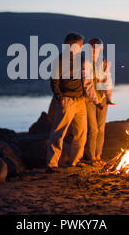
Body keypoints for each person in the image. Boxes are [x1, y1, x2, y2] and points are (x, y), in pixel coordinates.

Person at [46, 33, 104, 173]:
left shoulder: (81, 58)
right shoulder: (60, 60)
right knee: (59, 132)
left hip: (80, 101)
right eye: (80, 44)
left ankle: (75, 160)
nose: (82, 46)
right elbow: (54, 82)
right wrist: (60, 97)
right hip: (67, 101)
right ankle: (52, 163)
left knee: (81, 132)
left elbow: (86, 78)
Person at [84, 38, 114, 166]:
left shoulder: (104, 62)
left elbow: (108, 80)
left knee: (101, 128)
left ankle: (98, 156)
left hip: (101, 98)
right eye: (94, 48)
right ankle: (91, 157)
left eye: (99, 48)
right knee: (94, 129)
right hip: (90, 100)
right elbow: (87, 84)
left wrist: (108, 97)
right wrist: (96, 101)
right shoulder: (86, 63)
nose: (96, 50)